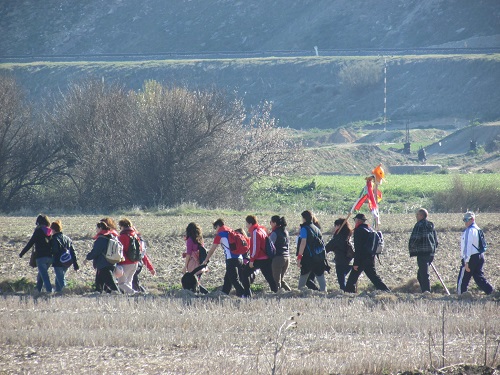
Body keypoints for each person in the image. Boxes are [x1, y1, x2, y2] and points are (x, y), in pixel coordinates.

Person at [344, 213, 390, 293]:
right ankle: (386, 291)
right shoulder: (370, 229)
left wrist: (356, 263)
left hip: (362, 259)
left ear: (358, 221)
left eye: (355, 220)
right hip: (370, 257)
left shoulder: (359, 231)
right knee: (374, 278)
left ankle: (349, 295)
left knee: (352, 280)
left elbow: (358, 248)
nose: (355, 222)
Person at [203, 218, 247, 297]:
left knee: (234, 279)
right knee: (228, 279)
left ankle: (244, 294)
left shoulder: (220, 235)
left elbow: (212, 250)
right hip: (240, 258)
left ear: (218, 226)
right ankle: (224, 294)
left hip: (231, 259)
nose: (215, 230)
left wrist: (206, 260)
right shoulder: (231, 231)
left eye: (215, 228)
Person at [457, 212, 493, 295]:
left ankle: (461, 295)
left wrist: (466, 261)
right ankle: (491, 291)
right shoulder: (478, 229)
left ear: (472, 219)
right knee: (478, 277)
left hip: (471, 257)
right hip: (480, 256)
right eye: (464, 220)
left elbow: (467, 247)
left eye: (466, 220)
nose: (465, 222)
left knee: (463, 279)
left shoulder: (469, 231)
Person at [19, 214, 54, 293]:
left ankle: (49, 291)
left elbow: (31, 243)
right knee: (41, 275)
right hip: (50, 258)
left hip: (41, 257)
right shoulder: (49, 232)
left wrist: (22, 253)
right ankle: (38, 290)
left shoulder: (38, 231)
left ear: (38, 222)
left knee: (44, 275)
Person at [244, 215, 278, 296]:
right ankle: (276, 293)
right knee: (269, 277)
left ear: (250, 223)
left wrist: (252, 260)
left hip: (259, 259)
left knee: (244, 273)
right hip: (266, 258)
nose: (246, 225)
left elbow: (256, 248)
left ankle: (247, 294)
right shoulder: (261, 230)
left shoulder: (255, 232)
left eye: (246, 223)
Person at [86, 219, 121, 294]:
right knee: (99, 284)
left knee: (112, 285)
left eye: (97, 228)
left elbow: (96, 251)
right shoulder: (112, 237)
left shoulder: (101, 238)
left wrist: (87, 258)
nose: (96, 230)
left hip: (103, 264)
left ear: (100, 228)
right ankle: (98, 293)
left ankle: (118, 295)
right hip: (111, 262)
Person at [296, 210, 327, 292]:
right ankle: (324, 293)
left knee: (303, 277)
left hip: (308, 258)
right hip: (319, 257)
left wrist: (299, 257)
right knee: (320, 277)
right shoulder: (317, 229)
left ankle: (299, 293)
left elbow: (303, 243)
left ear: (304, 218)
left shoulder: (304, 228)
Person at [408, 208, 438, 293]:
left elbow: (415, 238)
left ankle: (426, 292)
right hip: (431, 253)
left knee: (424, 274)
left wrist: (412, 247)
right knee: (420, 275)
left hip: (422, 253)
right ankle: (424, 290)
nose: (416, 216)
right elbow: (436, 240)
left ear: (421, 216)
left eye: (417, 215)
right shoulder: (431, 225)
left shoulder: (419, 225)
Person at [50, 220, 79, 293]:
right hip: (67, 262)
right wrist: (75, 264)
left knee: (60, 278)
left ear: (53, 229)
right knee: (59, 278)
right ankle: (58, 292)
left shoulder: (54, 239)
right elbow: (73, 251)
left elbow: (55, 251)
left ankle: (66, 292)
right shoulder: (67, 238)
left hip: (58, 262)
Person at [325, 218, 354, 291]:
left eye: (335, 226)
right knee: (348, 280)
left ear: (339, 226)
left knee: (342, 282)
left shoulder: (338, 238)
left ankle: (345, 293)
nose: (334, 228)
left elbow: (327, 248)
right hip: (351, 261)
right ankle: (349, 291)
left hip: (341, 262)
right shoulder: (348, 236)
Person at [117, 218, 141, 294]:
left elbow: (120, 250)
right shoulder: (135, 235)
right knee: (129, 281)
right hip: (135, 262)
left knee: (121, 284)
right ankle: (129, 297)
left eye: (120, 227)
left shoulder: (123, 236)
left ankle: (134, 293)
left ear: (122, 226)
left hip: (126, 263)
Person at [182, 222, 208, 294]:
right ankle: (200, 294)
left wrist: (185, 266)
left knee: (195, 282)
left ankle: (206, 293)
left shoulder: (190, 240)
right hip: (200, 263)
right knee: (197, 281)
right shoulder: (200, 239)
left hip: (193, 264)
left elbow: (189, 254)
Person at [269, 215, 291, 291]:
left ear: (274, 223)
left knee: (276, 281)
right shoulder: (285, 232)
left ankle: (277, 295)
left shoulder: (274, 233)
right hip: (287, 258)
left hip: (278, 258)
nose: (270, 223)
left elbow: (270, 246)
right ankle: (290, 292)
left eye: (271, 222)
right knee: (281, 279)